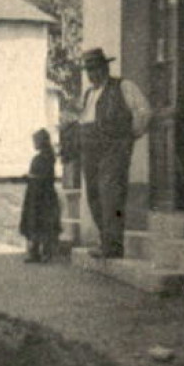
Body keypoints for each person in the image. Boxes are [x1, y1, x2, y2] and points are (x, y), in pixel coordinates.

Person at [75, 48, 151, 259]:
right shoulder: (89, 94)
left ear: (106, 67)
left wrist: (128, 137)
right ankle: (105, 240)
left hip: (114, 148)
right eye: (89, 70)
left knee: (111, 194)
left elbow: (144, 112)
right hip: (91, 150)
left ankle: (114, 245)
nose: (93, 74)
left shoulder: (124, 87)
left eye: (96, 69)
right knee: (94, 195)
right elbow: (84, 120)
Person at [19, 129, 62, 264]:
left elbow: (46, 176)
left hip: (44, 196)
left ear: (41, 141)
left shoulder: (47, 157)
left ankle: (46, 253)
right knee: (34, 223)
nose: (34, 143)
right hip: (34, 195)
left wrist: (31, 177)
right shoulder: (40, 157)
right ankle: (34, 252)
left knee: (44, 223)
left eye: (36, 140)